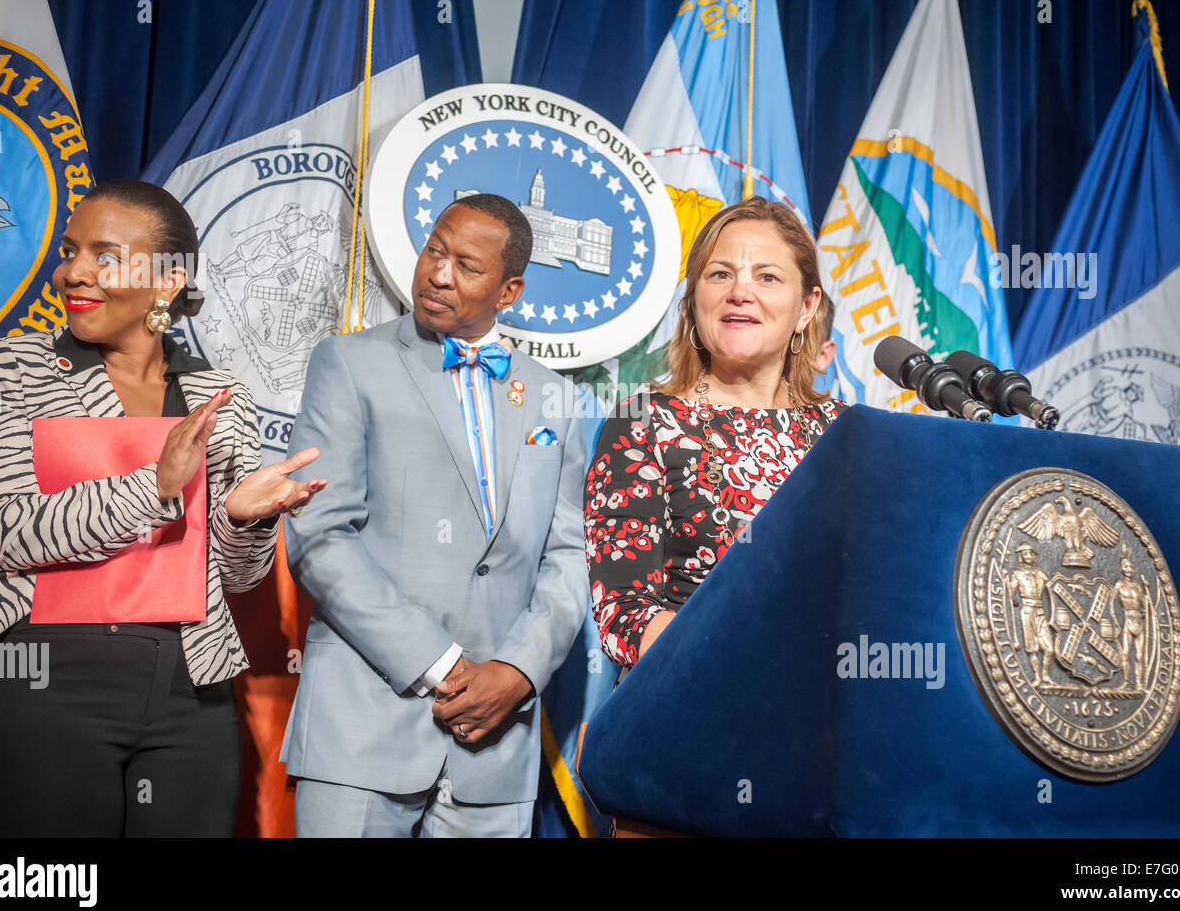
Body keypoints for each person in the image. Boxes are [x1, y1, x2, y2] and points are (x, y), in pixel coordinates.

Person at [0, 180, 325, 837]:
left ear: (168, 280)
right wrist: (154, 487)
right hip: (34, 675)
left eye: (104, 254)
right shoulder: (14, 367)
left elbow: (237, 578)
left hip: (187, 687)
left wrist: (245, 520)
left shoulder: (219, 394)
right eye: (71, 250)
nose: (73, 272)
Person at [281, 193, 587, 838]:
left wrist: (518, 672)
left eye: (466, 266)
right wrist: (442, 665)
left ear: (509, 291)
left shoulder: (557, 397)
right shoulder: (348, 363)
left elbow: (566, 556)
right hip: (362, 726)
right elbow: (319, 533)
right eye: (434, 251)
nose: (439, 274)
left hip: (497, 740)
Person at [585, 197, 846, 670]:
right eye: (720, 274)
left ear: (807, 307)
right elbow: (624, 615)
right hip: (694, 707)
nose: (740, 292)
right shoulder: (643, 423)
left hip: (834, 712)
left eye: (767, 277)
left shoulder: (849, 435)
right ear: (693, 300)